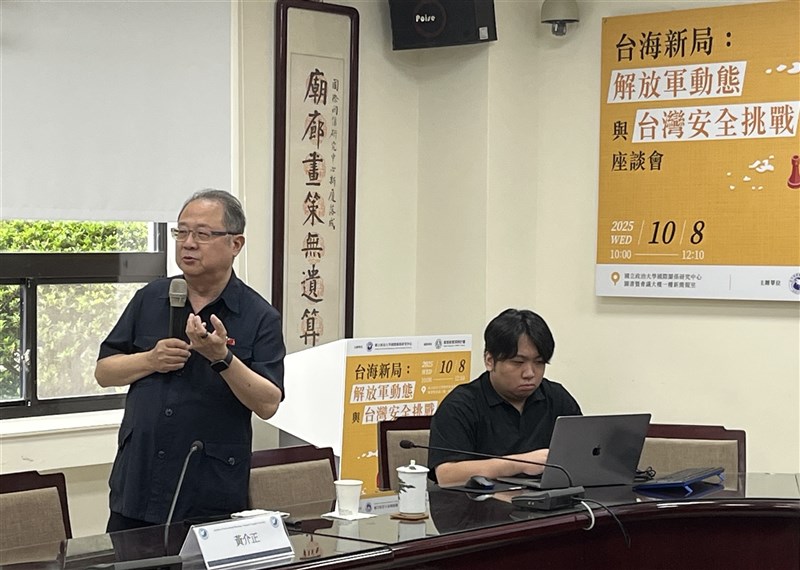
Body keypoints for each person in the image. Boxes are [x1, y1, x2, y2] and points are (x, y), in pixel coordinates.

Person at [95, 189, 286, 532]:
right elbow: (105, 371)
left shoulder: (259, 316)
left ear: (235, 244)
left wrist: (221, 357)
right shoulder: (150, 298)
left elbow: (269, 402)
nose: (188, 243)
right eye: (181, 232)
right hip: (138, 486)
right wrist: (151, 360)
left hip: (209, 494)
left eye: (202, 234)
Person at [427, 308, 581, 486]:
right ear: (489, 360)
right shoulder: (460, 405)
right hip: (480, 509)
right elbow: (447, 475)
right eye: (518, 362)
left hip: (550, 506)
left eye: (539, 363)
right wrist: (520, 463)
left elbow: (584, 456)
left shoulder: (557, 398)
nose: (530, 373)